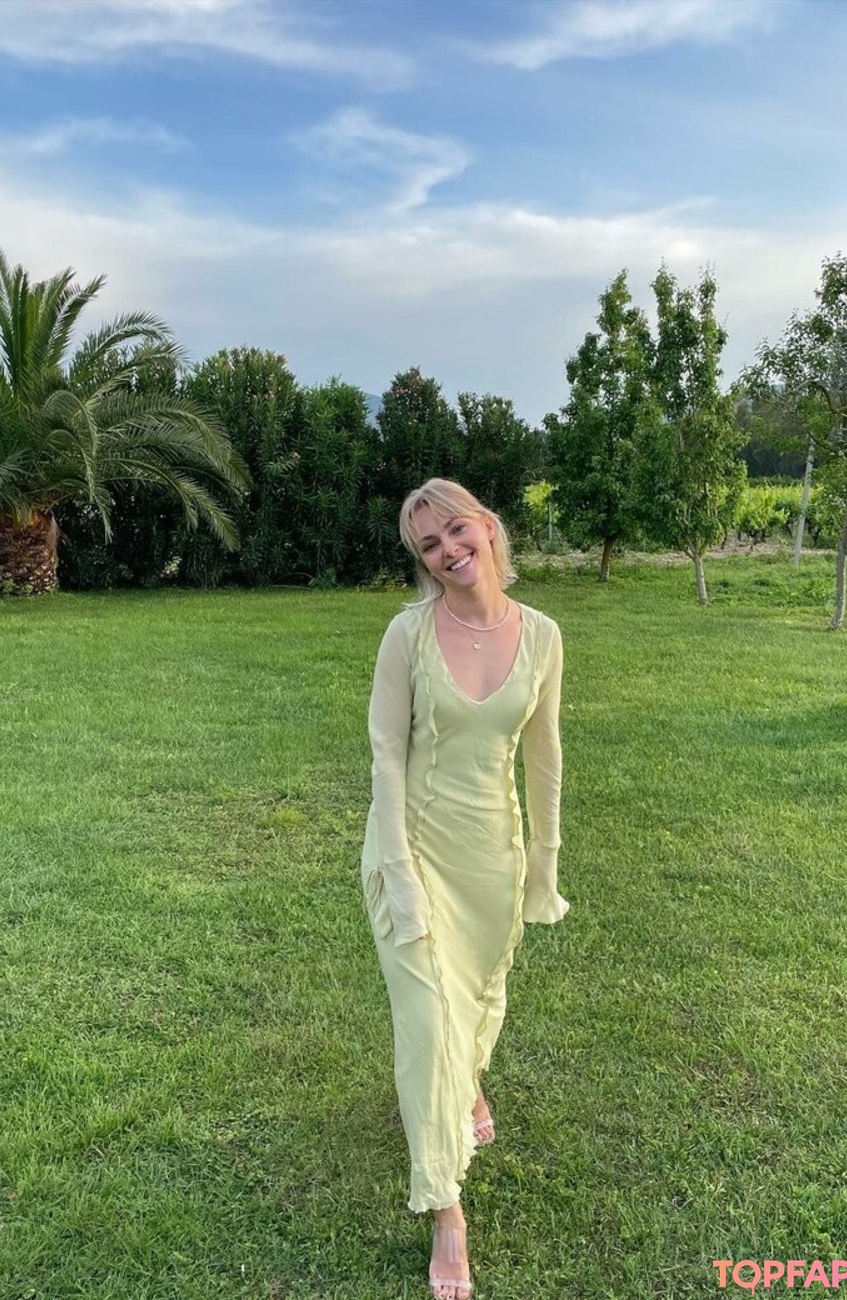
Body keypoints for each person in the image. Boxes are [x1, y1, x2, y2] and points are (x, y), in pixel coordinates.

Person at [361, 477, 569, 1300]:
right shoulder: (407, 635)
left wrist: (544, 861)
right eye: (429, 546)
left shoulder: (543, 635)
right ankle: (446, 1206)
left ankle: (468, 1084)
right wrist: (400, 876)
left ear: (486, 526)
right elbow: (386, 756)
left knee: (474, 999)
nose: (448, 552)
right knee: (426, 1021)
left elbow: (544, 754)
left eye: (455, 531)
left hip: (491, 857)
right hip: (411, 849)